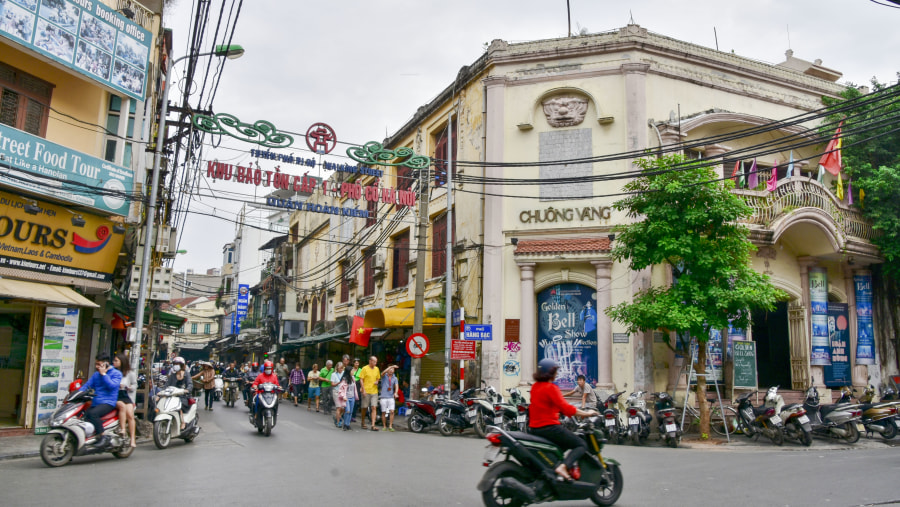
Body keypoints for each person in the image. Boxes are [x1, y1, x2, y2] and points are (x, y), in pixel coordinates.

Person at [528, 358, 598, 481]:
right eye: (555, 371)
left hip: (534, 429)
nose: (556, 374)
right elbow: (567, 409)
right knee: (581, 444)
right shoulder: (551, 388)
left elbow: (544, 405)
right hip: (550, 428)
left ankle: (555, 466)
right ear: (550, 373)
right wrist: (587, 414)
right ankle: (564, 467)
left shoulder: (535, 387)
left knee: (561, 446)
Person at [79, 353, 121, 447]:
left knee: (93, 414)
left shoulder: (116, 374)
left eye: (99, 364)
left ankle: (102, 437)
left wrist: (104, 374)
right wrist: (77, 393)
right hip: (96, 402)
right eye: (96, 364)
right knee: (82, 416)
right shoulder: (96, 375)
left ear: (106, 363)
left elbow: (112, 386)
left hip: (108, 402)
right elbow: (87, 386)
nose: (97, 367)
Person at [113, 353, 137, 448]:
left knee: (130, 415)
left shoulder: (130, 373)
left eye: (116, 360)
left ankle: (132, 439)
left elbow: (135, 385)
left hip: (125, 394)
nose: (114, 362)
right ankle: (123, 429)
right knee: (122, 407)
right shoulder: (112, 371)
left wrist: (128, 387)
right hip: (116, 395)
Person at [167, 357, 193, 430]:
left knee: (178, 406)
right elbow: (166, 385)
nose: (176, 365)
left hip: (184, 397)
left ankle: (182, 422)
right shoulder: (172, 376)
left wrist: (187, 390)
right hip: (172, 396)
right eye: (175, 364)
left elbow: (190, 384)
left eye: (177, 364)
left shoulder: (187, 374)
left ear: (181, 365)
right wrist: (160, 393)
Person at [358, 356, 382, 431]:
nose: (375, 363)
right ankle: (362, 421)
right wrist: (363, 389)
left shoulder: (377, 369)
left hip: (374, 391)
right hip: (366, 391)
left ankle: (373, 425)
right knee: (364, 407)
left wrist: (377, 381)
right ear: (370, 361)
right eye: (374, 361)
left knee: (374, 407)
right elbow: (361, 379)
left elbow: (378, 377)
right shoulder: (364, 368)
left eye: (376, 362)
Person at [379, 365, 399, 431]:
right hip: (384, 396)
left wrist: (395, 393)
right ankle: (384, 426)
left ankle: (390, 426)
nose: (391, 370)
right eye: (390, 369)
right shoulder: (384, 376)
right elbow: (382, 373)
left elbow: (396, 386)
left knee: (392, 411)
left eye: (392, 369)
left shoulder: (395, 378)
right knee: (383, 412)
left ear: (394, 371)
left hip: (391, 397)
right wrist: (391, 366)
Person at [331, 362, 346, 428]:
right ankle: (338, 422)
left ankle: (338, 417)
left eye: (342, 368)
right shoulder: (334, 374)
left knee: (343, 408)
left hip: (343, 392)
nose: (341, 369)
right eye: (339, 368)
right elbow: (332, 384)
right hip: (336, 391)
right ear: (337, 368)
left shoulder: (344, 374)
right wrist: (338, 383)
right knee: (339, 407)